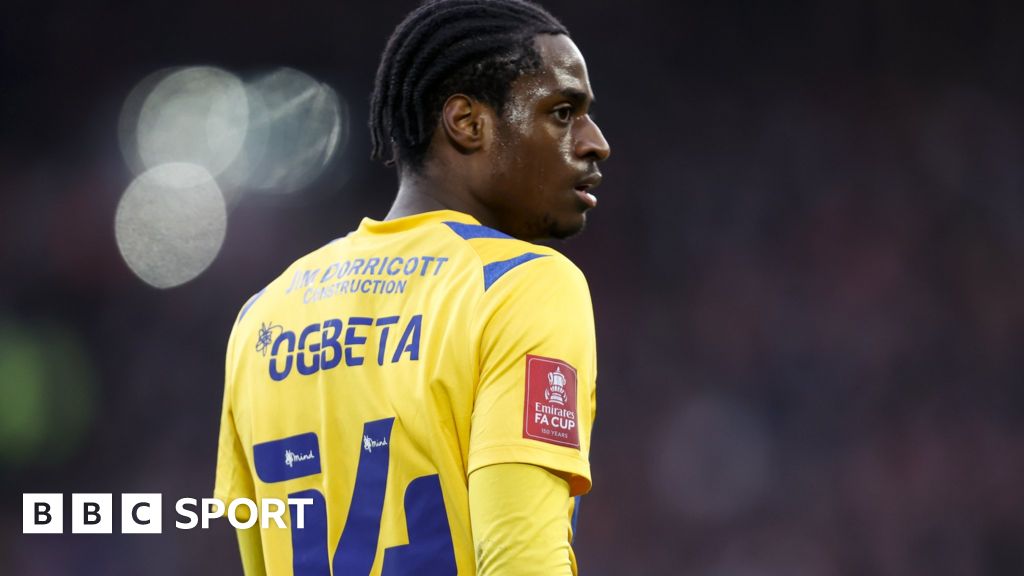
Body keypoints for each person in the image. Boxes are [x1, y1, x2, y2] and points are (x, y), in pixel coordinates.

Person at [214, 0, 610, 574]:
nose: (595, 141)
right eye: (562, 111)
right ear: (468, 123)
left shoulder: (261, 318)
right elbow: (518, 560)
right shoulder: (520, 285)